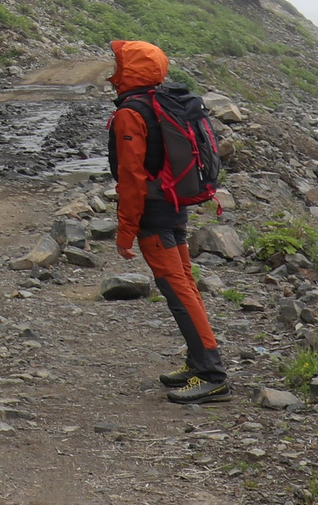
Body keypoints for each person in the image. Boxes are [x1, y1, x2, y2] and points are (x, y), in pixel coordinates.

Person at [108, 39, 228, 403]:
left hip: (154, 215)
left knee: (177, 292)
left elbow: (131, 177)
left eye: (118, 64)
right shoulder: (162, 103)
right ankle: (197, 363)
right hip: (174, 206)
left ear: (131, 71)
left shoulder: (132, 113)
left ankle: (213, 375)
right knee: (185, 286)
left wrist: (126, 230)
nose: (112, 72)